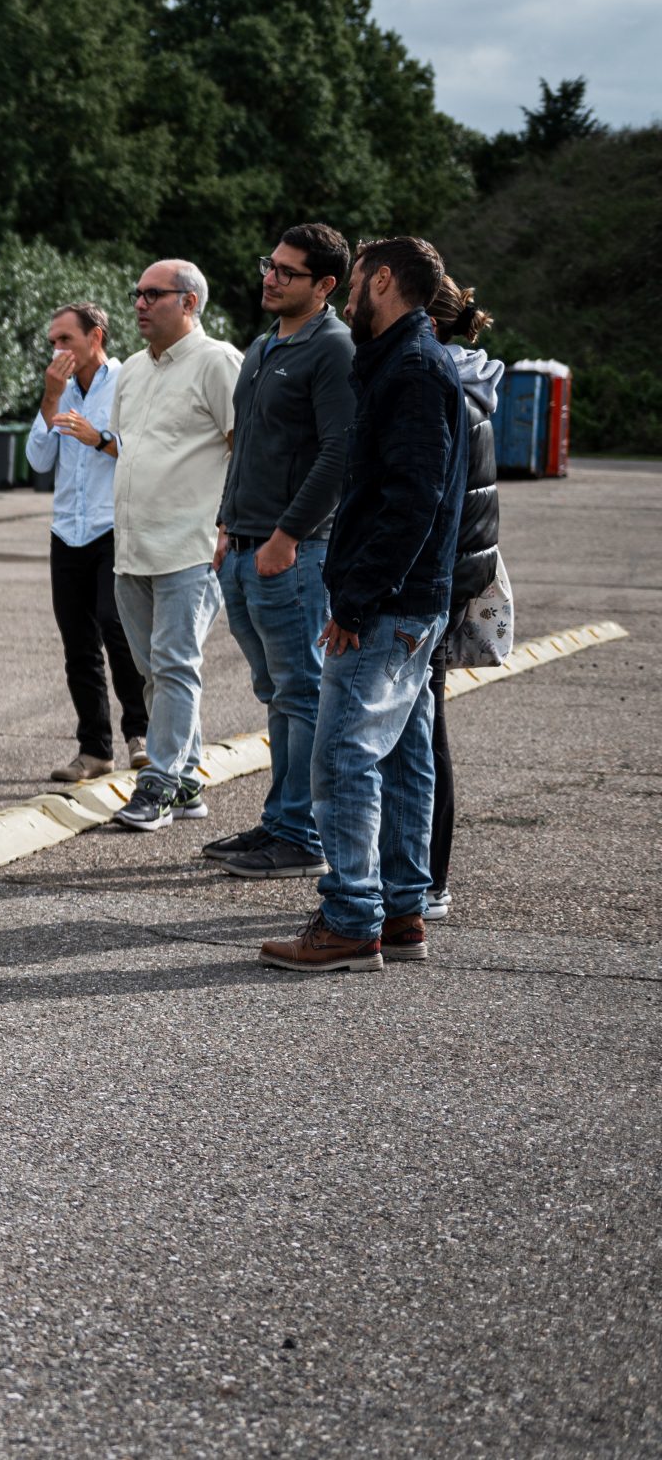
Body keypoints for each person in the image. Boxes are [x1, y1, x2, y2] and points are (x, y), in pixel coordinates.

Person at [260, 237, 469, 973]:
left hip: (388, 603)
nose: (349, 296)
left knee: (343, 751)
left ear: (382, 279)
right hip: (413, 600)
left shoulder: (411, 368)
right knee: (407, 751)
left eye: (354, 282)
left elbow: (412, 499)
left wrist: (355, 599)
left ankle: (351, 917)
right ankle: (404, 909)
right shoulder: (412, 359)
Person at [206, 224, 357, 880]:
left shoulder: (333, 350)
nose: (271, 276)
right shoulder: (265, 346)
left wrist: (287, 535)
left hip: (292, 554)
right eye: (270, 264)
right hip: (243, 545)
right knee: (278, 693)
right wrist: (224, 524)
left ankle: (301, 832)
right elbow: (248, 448)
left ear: (324, 285)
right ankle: (281, 819)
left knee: (301, 692)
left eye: (288, 272)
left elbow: (338, 455)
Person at [107, 259, 244, 832]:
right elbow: (126, 448)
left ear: (188, 303)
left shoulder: (219, 362)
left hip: (192, 545)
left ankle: (158, 785)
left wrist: (230, 524)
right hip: (133, 545)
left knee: (174, 665)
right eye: (136, 293)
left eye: (153, 294)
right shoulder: (133, 370)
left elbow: (246, 446)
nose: (139, 303)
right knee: (151, 671)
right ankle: (187, 779)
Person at [26, 302, 148, 783]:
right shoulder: (60, 389)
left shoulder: (127, 381)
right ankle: (94, 749)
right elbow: (38, 460)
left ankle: (140, 734)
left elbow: (143, 447)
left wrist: (100, 438)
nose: (58, 349)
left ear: (95, 337)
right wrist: (50, 399)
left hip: (111, 525)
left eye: (66, 340)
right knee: (77, 643)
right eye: (53, 341)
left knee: (117, 629)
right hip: (66, 530)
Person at [425, 276, 504, 919]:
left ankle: (423, 880)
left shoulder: (439, 384)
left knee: (419, 733)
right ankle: (423, 878)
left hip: (428, 582)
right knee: (424, 727)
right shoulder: (462, 379)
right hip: (445, 577)